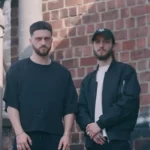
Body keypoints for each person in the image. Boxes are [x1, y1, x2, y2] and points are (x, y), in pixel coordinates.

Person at [3, 21, 78, 150]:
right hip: (25, 139)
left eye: (46, 38)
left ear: (51, 40)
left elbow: (69, 108)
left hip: (55, 139)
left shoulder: (62, 73)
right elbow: (11, 105)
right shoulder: (16, 70)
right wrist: (19, 133)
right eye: (38, 39)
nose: (43, 42)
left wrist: (66, 135)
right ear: (30, 40)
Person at [76, 28, 140, 150]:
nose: (101, 45)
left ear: (113, 45)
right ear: (93, 45)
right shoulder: (88, 80)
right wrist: (91, 129)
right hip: (93, 143)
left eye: (106, 41)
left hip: (117, 142)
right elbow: (81, 109)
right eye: (97, 42)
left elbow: (127, 103)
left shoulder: (125, 72)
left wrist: (100, 124)